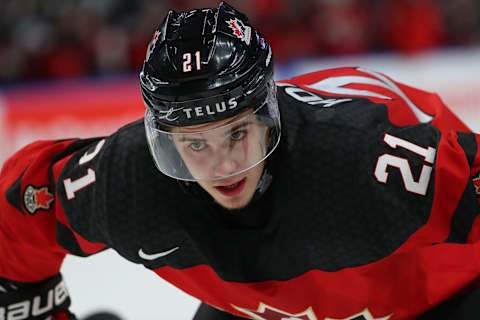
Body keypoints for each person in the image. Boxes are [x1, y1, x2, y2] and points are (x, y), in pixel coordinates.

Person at [1, 2, 479, 320]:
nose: (220, 165)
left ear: (270, 115)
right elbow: (19, 212)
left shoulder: (363, 159)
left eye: (235, 133)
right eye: (193, 144)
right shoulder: (131, 177)